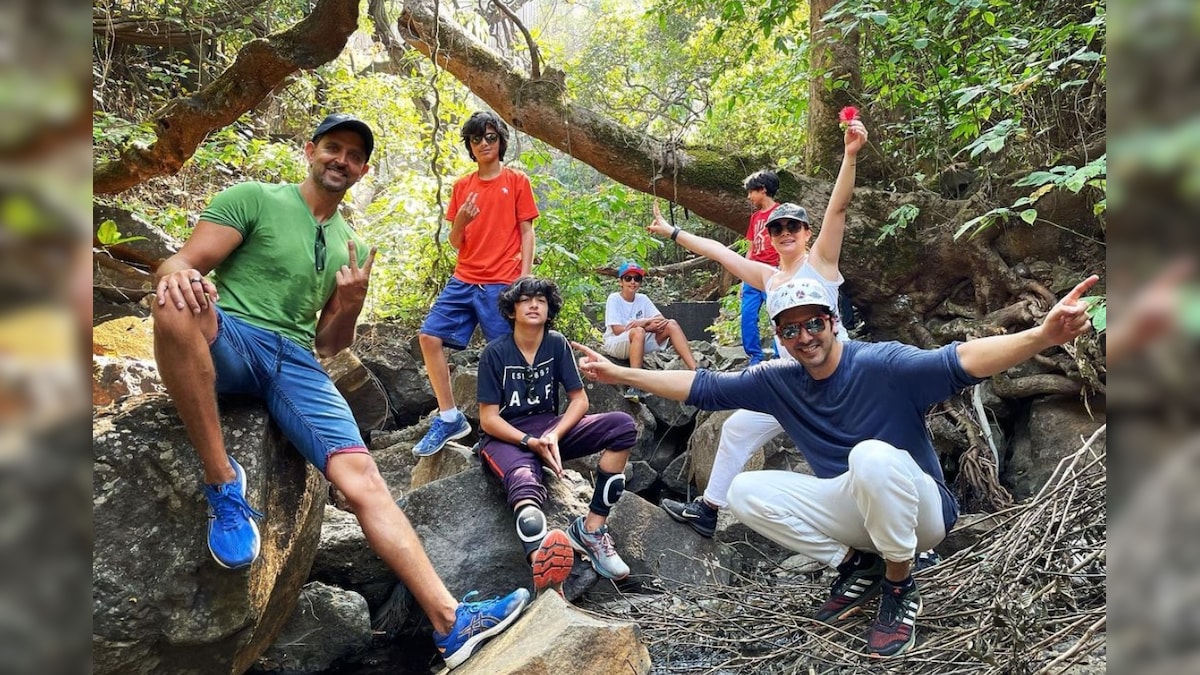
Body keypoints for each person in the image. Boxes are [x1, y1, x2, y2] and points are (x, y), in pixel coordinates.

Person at [151, 113, 528, 670]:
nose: (341, 160)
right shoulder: (255, 199)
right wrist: (178, 275)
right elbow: (180, 262)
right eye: (333, 148)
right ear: (311, 150)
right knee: (172, 300)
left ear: (362, 170)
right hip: (231, 334)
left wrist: (349, 303)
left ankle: (451, 622)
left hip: (297, 362)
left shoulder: (350, 243)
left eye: (354, 156)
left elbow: (330, 342)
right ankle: (223, 482)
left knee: (365, 479)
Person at [572, 274, 1101, 658]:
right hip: (862, 512)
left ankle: (899, 584)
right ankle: (859, 564)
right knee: (743, 490)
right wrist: (625, 377)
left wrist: (1041, 337)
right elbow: (704, 387)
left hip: (925, 514)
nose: (805, 337)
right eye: (791, 329)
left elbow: (958, 360)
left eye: (815, 323)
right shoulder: (780, 380)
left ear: (833, 322)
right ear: (780, 337)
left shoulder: (881, 363)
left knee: (869, 456)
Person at [650, 118, 867, 537]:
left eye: (793, 227)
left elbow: (838, 207)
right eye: (777, 228)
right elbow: (717, 251)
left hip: (837, 376)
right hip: (790, 380)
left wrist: (850, 155)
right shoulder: (768, 277)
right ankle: (710, 509)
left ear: (806, 233)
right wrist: (673, 231)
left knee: (855, 452)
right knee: (736, 428)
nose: (784, 233)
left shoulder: (820, 262)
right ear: (769, 235)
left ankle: (884, 531)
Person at [477, 277, 638, 588]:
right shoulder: (494, 353)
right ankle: (547, 577)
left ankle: (590, 531)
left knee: (622, 426)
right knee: (526, 492)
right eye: (525, 300)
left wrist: (553, 434)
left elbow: (579, 400)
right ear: (512, 310)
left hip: (551, 429)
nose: (534, 304)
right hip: (506, 437)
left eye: (541, 299)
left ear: (549, 309)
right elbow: (488, 419)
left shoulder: (556, 344)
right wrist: (528, 442)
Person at [413, 111, 540, 457]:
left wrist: (524, 278)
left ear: (500, 141)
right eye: (476, 139)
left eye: (490, 137)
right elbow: (455, 241)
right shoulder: (462, 187)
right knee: (428, 337)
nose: (484, 144)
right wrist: (463, 221)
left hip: (502, 282)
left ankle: (513, 428)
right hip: (464, 278)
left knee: (505, 355)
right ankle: (450, 416)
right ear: (469, 146)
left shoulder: (516, 181)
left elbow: (527, 231)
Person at [601, 260, 698, 401]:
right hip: (616, 343)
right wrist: (645, 326)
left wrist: (643, 322)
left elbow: (662, 321)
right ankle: (635, 384)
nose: (633, 282)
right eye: (628, 278)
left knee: (671, 324)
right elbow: (617, 330)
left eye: (637, 278)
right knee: (638, 332)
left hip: (638, 341)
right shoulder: (614, 299)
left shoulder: (643, 299)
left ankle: (696, 371)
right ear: (620, 282)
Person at [739, 170, 781, 365]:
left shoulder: (781, 213)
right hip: (753, 272)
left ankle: (779, 355)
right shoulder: (755, 217)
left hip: (774, 270)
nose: (749, 196)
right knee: (747, 315)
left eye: (751, 192)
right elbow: (750, 246)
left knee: (778, 315)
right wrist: (743, 276)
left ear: (762, 190)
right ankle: (754, 357)